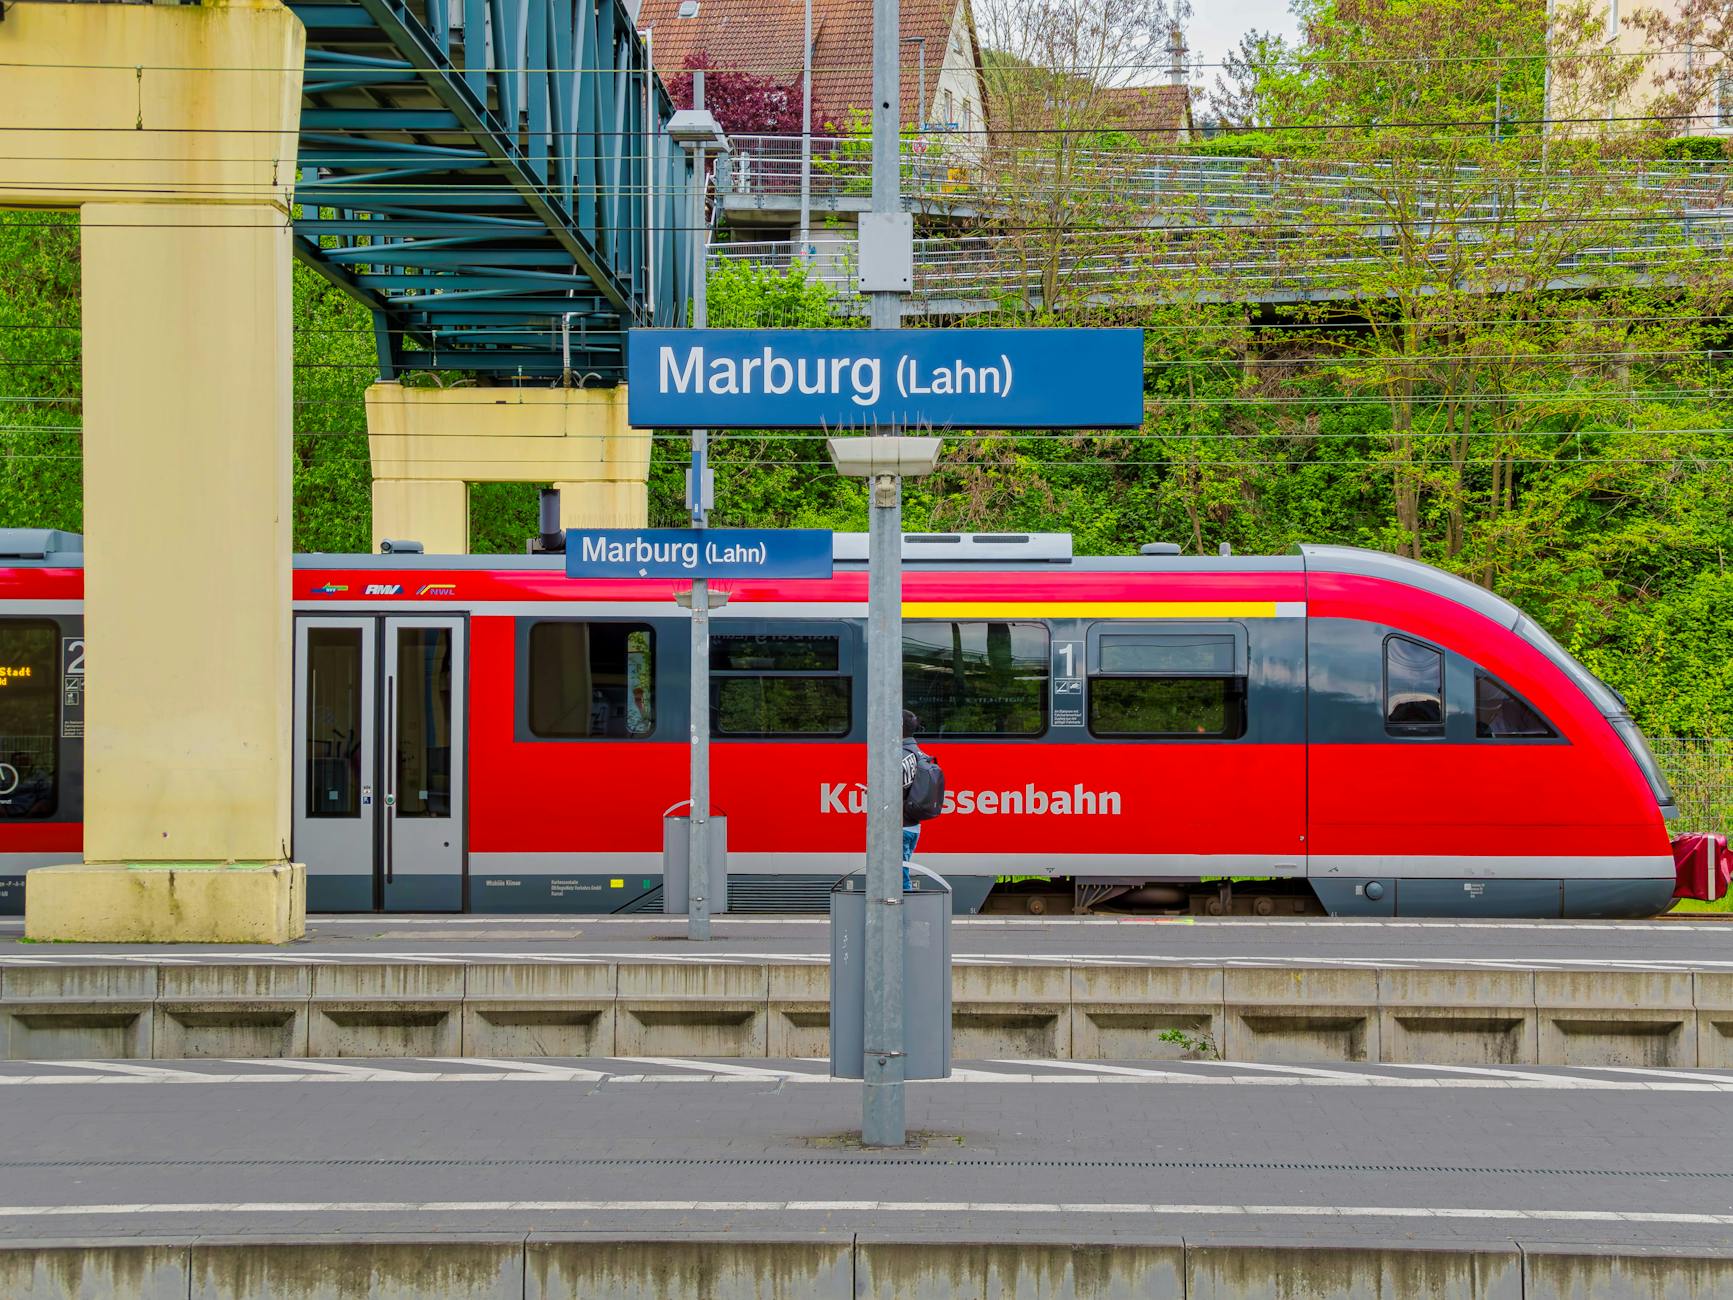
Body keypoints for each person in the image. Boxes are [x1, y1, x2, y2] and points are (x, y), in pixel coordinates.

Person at [900, 709, 945, 890]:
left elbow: (894, 793)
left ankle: (901, 917)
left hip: (899, 827)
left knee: (898, 881)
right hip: (913, 825)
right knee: (901, 873)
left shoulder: (901, 756)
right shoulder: (920, 753)